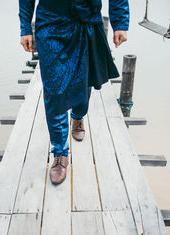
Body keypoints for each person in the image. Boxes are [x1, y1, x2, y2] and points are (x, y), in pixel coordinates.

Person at [18, 0, 130, 184]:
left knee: (82, 80)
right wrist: (25, 28)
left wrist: (120, 22)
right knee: (54, 91)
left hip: (85, 20)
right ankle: (60, 153)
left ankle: (78, 115)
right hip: (50, 24)